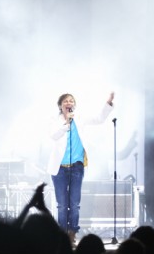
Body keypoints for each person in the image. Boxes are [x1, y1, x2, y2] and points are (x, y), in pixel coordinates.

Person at [48, 92, 114, 244]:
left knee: (75, 204)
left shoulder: (80, 118)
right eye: (66, 101)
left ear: (74, 105)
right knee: (62, 205)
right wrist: (66, 124)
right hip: (59, 168)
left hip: (77, 166)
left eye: (71, 101)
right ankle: (62, 234)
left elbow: (99, 119)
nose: (69, 103)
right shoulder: (54, 120)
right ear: (60, 105)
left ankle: (72, 233)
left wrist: (108, 104)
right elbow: (53, 135)